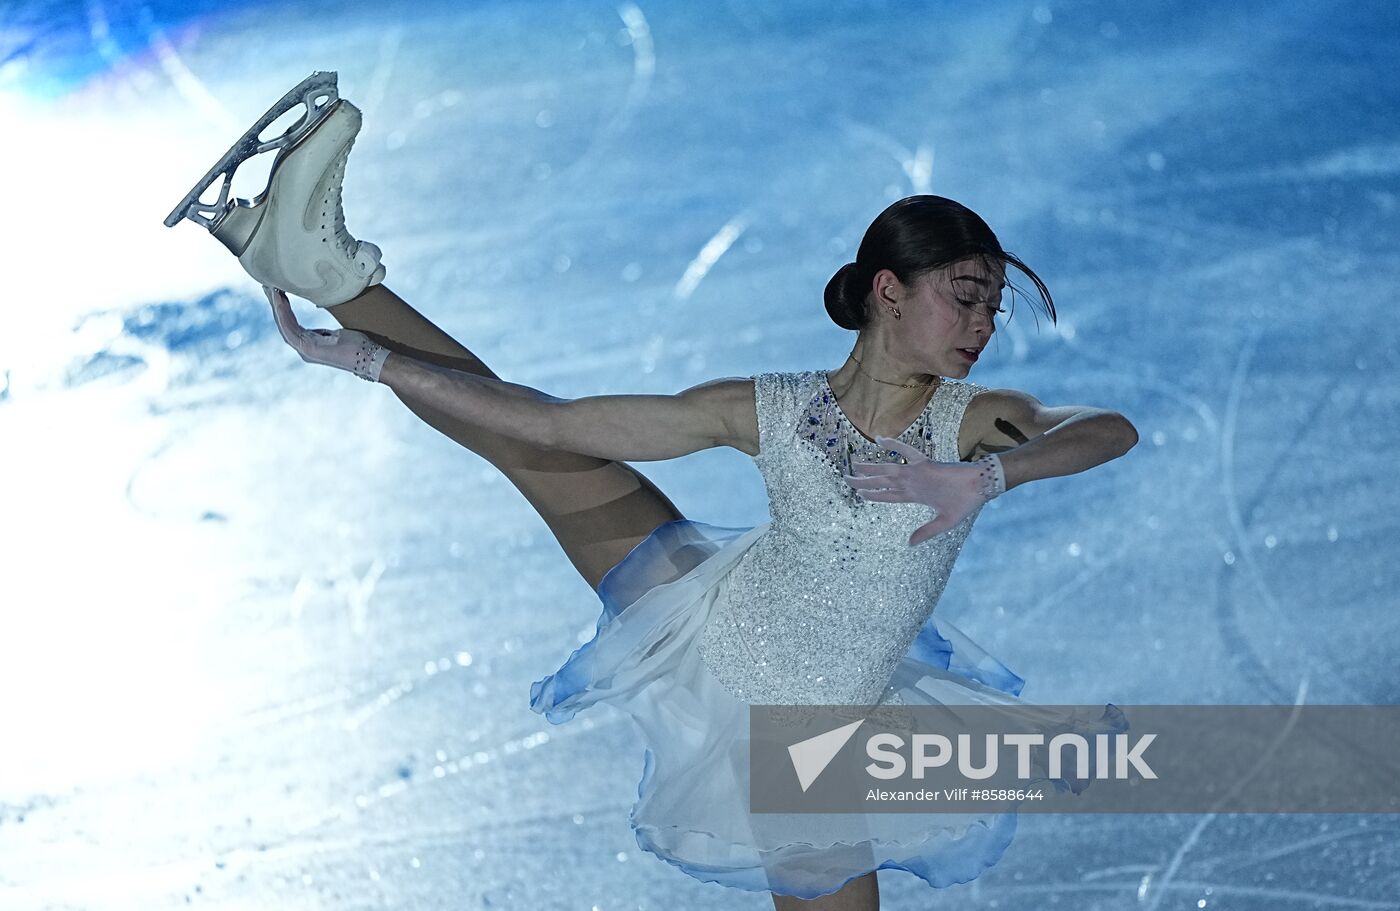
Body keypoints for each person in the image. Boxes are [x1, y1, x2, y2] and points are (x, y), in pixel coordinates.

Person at [167, 72, 1139, 910]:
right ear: (889, 290)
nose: (980, 321)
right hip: (699, 618)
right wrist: (370, 359)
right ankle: (324, 269)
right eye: (962, 295)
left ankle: (315, 261)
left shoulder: (969, 420)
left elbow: (1105, 428)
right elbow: (548, 422)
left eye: (989, 304)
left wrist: (984, 476)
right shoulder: (760, 407)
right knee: (536, 450)